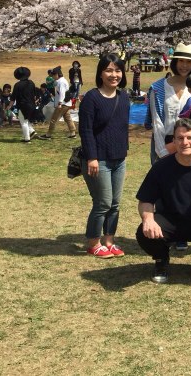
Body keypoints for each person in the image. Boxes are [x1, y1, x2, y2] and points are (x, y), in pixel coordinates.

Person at [135, 118, 191, 283]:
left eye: (190, 137)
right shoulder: (161, 167)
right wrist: (148, 220)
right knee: (144, 232)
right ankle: (161, 258)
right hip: (170, 221)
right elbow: (145, 200)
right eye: (180, 138)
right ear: (174, 141)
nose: (185, 142)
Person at [79, 54, 131, 259]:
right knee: (103, 202)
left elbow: (121, 127)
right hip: (98, 159)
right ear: (100, 73)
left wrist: (124, 151)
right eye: (109, 70)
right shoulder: (91, 98)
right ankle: (94, 243)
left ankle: (109, 241)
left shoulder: (123, 97)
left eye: (118, 70)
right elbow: (86, 130)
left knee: (115, 203)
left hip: (119, 158)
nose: (114, 75)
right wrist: (91, 157)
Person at [144, 43, 191, 163]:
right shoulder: (158, 88)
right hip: (163, 143)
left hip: (189, 144)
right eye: (181, 61)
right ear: (175, 62)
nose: (184, 65)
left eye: (189, 62)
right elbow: (156, 122)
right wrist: (162, 152)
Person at [40, 66, 77, 139]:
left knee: (54, 119)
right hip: (66, 103)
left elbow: (62, 93)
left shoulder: (61, 82)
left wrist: (59, 103)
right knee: (68, 118)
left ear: (57, 74)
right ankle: (73, 133)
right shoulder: (61, 81)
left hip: (62, 104)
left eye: (53, 75)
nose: (52, 77)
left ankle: (48, 134)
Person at [11, 67, 39, 142]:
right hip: (31, 105)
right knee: (27, 121)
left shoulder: (17, 85)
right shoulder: (31, 83)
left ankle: (27, 139)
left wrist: (9, 106)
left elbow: (13, 98)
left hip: (23, 106)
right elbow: (34, 95)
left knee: (23, 123)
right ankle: (32, 132)